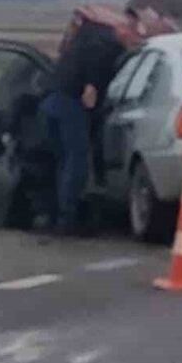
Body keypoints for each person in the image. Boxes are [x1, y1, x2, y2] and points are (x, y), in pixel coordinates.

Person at [41, 18, 125, 236]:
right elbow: (91, 92)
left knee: (64, 161)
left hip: (52, 101)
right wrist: (93, 87)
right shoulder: (106, 47)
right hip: (71, 104)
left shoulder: (81, 41)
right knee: (76, 160)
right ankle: (68, 218)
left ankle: (57, 215)